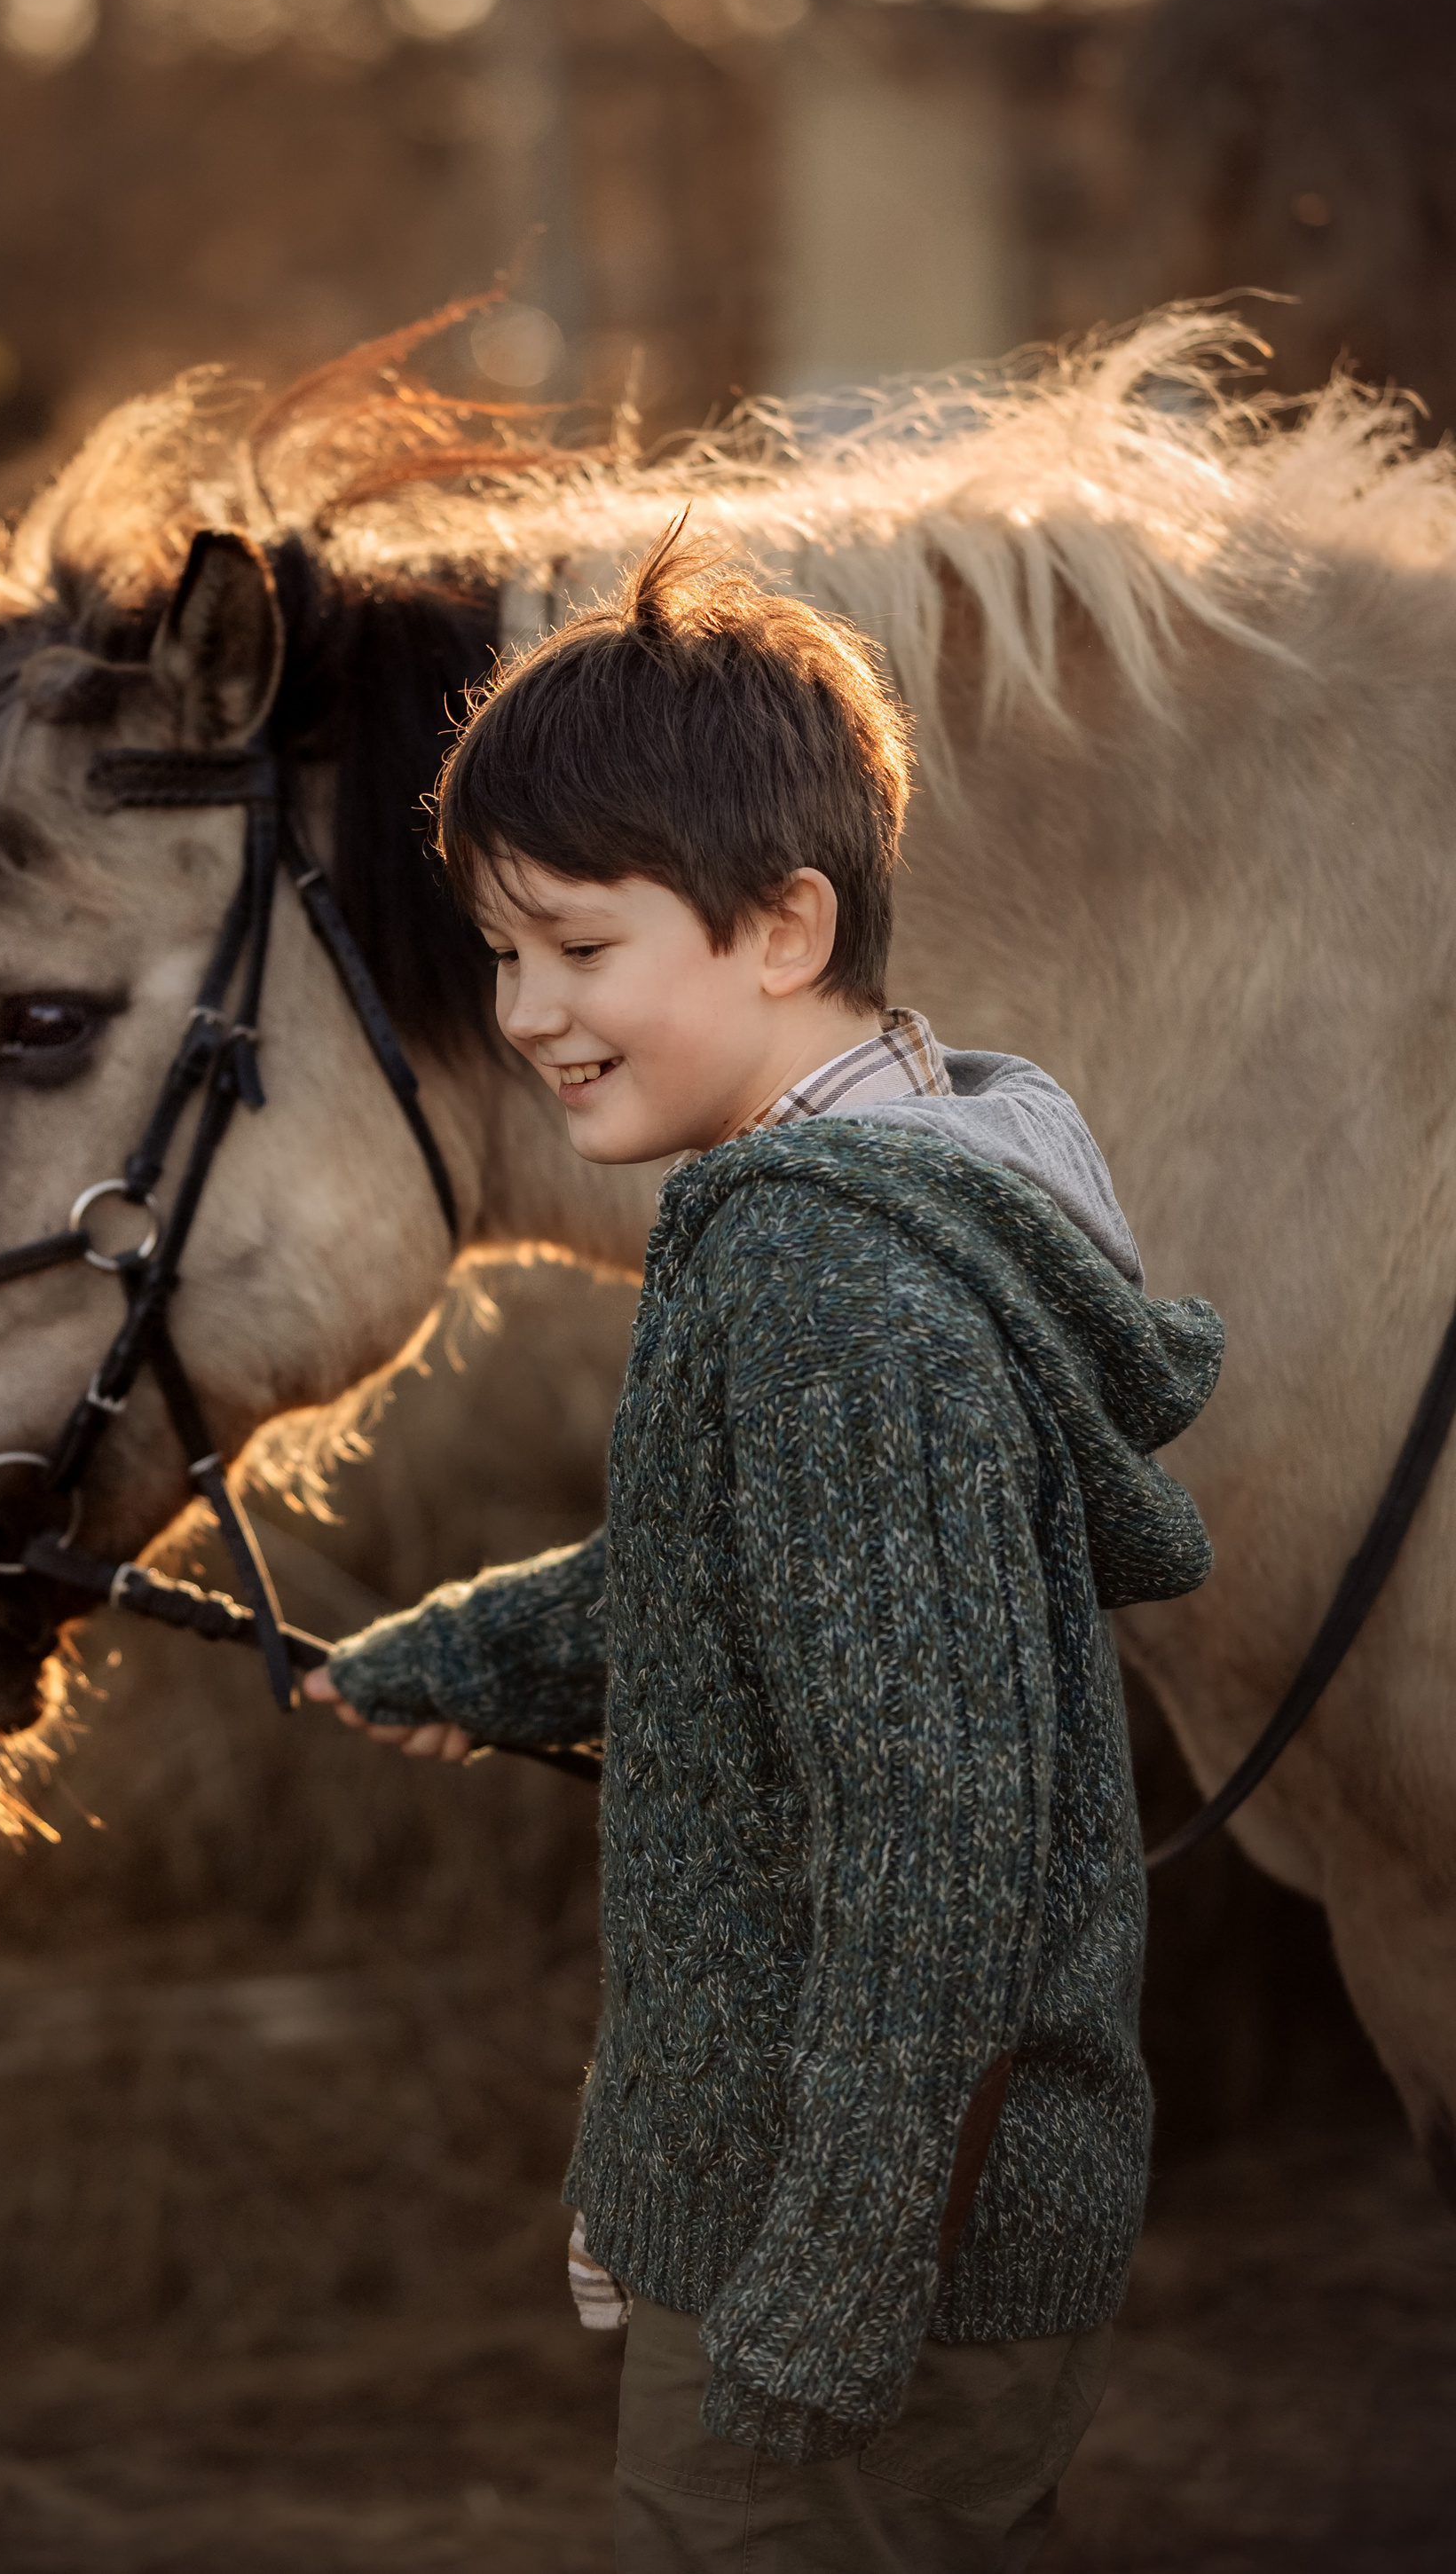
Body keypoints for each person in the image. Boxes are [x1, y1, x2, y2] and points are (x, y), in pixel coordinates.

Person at [305, 531, 1223, 2572]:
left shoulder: (834, 1282)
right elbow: (738, 1574)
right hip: (837, 2237)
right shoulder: (861, 1212)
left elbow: (937, 1845)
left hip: (863, 2284)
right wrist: (466, 1654)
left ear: (783, 924)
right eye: (498, 953)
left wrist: (821, 2303)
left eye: (575, 945)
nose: (524, 1014)